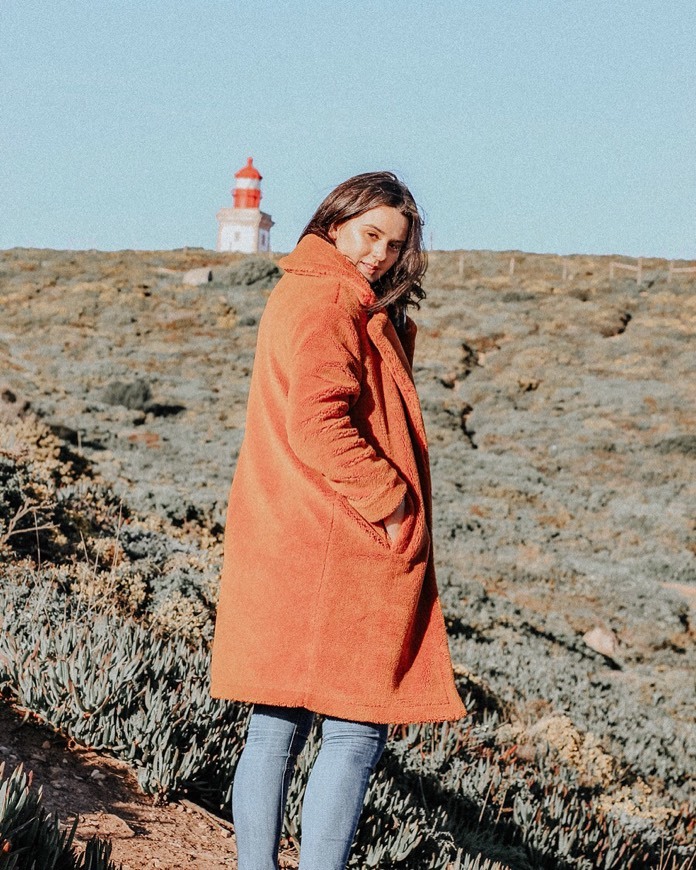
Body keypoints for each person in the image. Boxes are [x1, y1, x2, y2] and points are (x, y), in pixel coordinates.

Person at [210, 171, 466, 870]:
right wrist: (392, 506)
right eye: (369, 235)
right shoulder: (330, 300)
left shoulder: (306, 290)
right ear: (335, 221)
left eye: (394, 245)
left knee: (275, 726)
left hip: (289, 538)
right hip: (337, 545)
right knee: (353, 734)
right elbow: (319, 425)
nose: (379, 255)